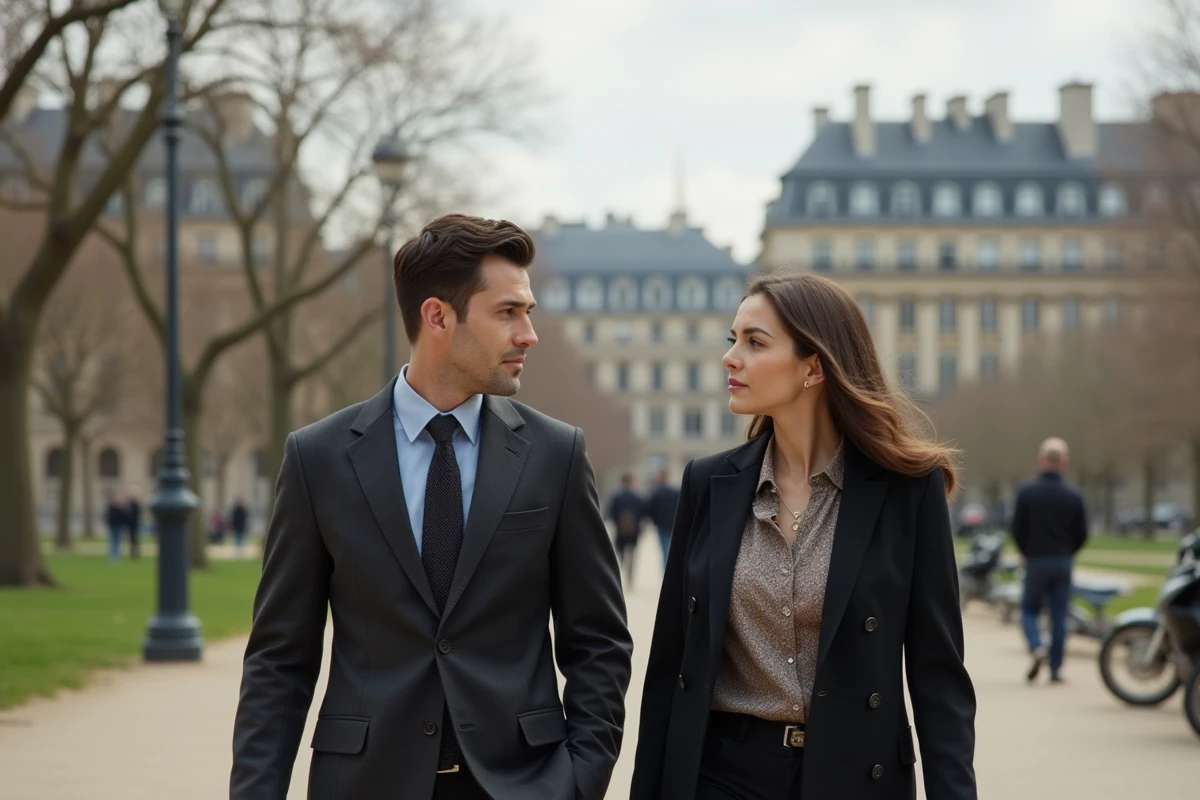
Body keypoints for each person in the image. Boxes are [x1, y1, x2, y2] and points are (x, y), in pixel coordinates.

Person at [231, 214, 633, 800]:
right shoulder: (318, 458)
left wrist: (577, 783)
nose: (529, 334)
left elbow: (599, 642)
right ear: (438, 316)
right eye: (507, 312)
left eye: (528, 311)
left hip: (521, 786)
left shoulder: (557, 454)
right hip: (365, 784)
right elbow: (279, 659)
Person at [631, 273, 977, 800]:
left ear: (813, 366)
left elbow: (938, 677)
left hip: (855, 775)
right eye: (733, 340)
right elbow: (669, 669)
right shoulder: (709, 483)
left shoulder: (908, 490)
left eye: (754, 342)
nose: (730, 358)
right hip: (721, 774)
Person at [1012, 437, 1088, 684]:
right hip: (1062, 561)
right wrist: (1068, 551)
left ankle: (1036, 647)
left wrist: (1025, 549)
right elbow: (1083, 533)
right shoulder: (1074, 496)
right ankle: (1055, 668)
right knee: (1059, 615)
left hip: (1035, 560)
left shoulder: (1027, 492)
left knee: (1028, 610)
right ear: (1064, 462)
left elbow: (1016, 528)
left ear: (1041, 460)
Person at [607, 474, 645, 586]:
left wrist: (616, 522)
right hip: (634, 529)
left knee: (620, 549)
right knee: (632, 551)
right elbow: (643, 513)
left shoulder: (616, 497)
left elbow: (611, 512)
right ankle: (630, 573)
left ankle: (622, 564)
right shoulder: (637, 497)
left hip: (620, 529)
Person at [646, 469, 681, 570]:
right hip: (673, 523)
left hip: (662, 524)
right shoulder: (675, 492)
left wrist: (654, 520)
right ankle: (671, 569)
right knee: (672, 548)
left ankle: (666, 570)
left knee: (664, 549)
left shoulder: (656, 493)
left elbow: (651, 509)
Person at [104, 491, 125, 562]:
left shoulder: (121, 508)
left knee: (117, 541)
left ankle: (116, 555)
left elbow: (123, 517)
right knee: (113, 540)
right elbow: (108, 517)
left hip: (118, 525)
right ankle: (112, 555)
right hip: (113, 525)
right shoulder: (112, 507)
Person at [124, 487, 142, 559]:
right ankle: (133, 553)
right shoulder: (129, 504)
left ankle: (136, 553)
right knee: (132, 539)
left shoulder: (136, 504)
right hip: (130, 524)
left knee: (135, 539)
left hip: (135, 524)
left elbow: (135, 514)